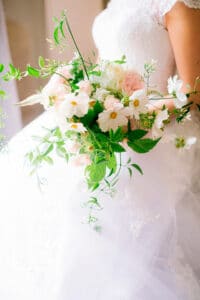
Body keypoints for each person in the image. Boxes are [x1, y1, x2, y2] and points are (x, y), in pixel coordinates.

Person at [0, 0, 200, 299]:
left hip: (148, 132)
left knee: (86, 204)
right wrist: (78, 90)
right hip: (106, 119)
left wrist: (128, 119)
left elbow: (192, 93)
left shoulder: (179, 3)